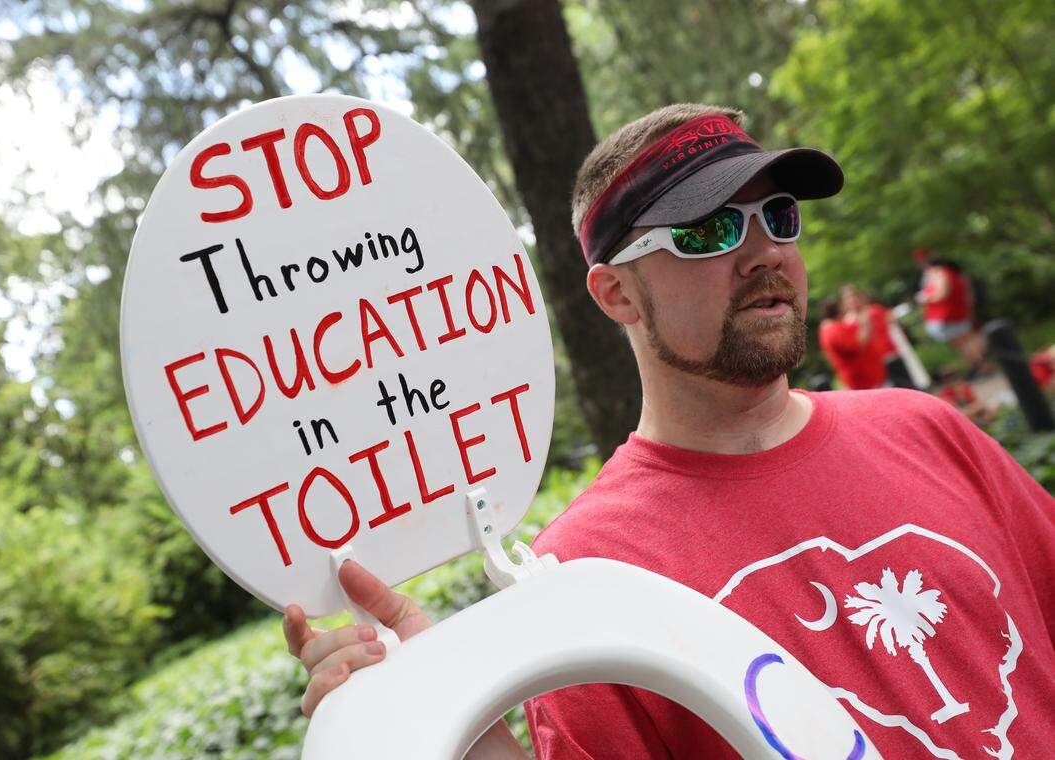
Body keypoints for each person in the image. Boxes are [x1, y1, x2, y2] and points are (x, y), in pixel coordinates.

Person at [284, 104, 1055, 758]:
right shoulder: (583, 575)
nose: (764, 253)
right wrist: (463, 729)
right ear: (616, 293)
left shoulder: (922, 426)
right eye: (709, 229)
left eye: (776, 216)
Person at [913, 248, 986, 372]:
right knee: (965, 341)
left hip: (948, 314)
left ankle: (979, 366)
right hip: (956, 311)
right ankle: (977, 366)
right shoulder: (954, 274)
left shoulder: (940, 273)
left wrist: (925, 298)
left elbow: (942, 293)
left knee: (964, 342)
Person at [817, 291, 886, 390]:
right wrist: (865, 324)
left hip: (869, 376)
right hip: (864, 380)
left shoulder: (835, 327)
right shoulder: (833, 330)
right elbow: (857, 345)